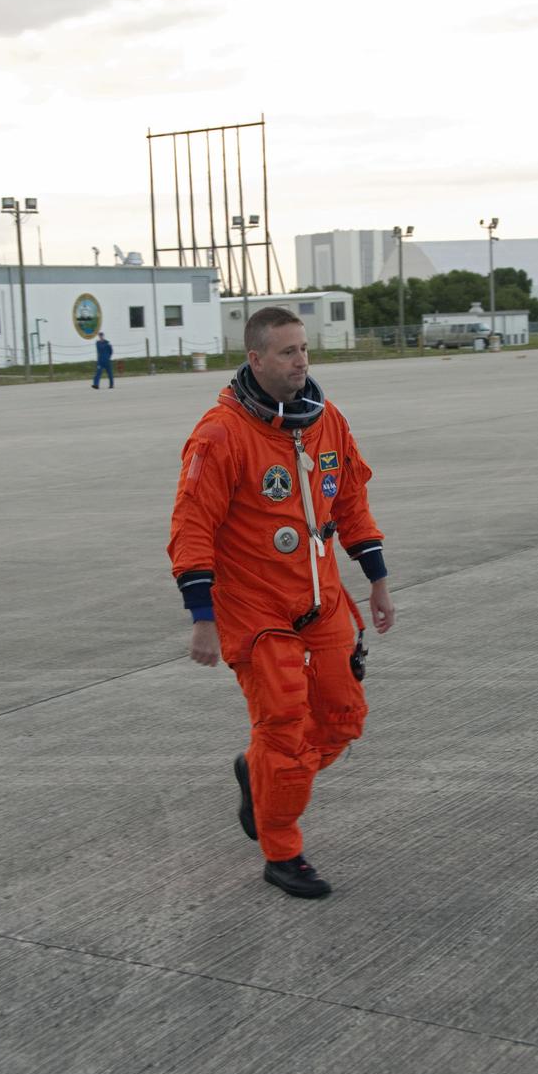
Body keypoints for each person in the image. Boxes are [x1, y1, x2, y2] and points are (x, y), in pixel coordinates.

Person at [167, 306, 395, 898]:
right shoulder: (221, 434)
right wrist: (202, 619)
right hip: (254, 608)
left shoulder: (327, 423)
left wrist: (376, 579)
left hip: (321, 600)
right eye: (288, 352)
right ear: (256, 359)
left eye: (303, 350)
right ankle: (282, 850)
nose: (301, 361)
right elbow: (192, 527)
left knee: (342, 720)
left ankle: (260, 774)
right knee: (286, 727)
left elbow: (350, 503)